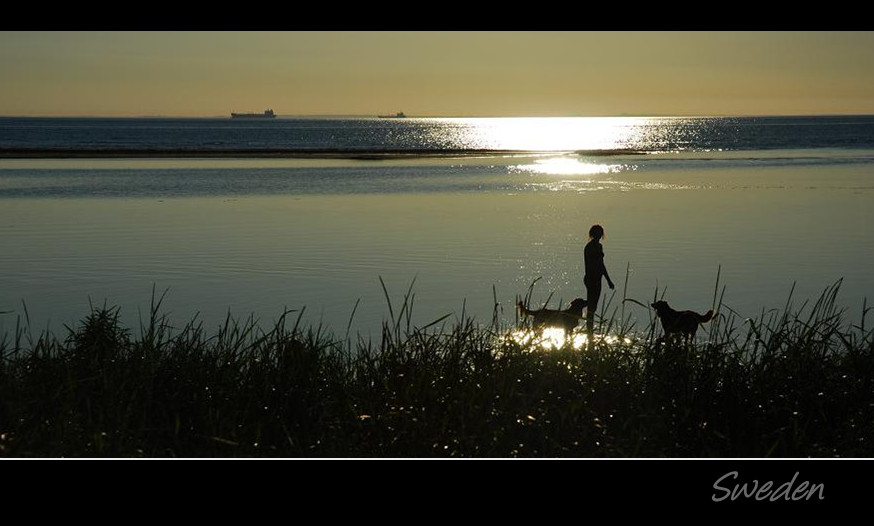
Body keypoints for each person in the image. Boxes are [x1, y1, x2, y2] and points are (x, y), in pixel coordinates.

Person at [583, 224, 614, 343]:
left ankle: (589, 332)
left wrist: (608, 280)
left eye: (600, 233)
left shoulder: (597, 246)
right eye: (597, 233)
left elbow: (601, 265)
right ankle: (589, 333)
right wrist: (604, 279)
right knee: (591, 307)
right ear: (592, 234)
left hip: (597, 279)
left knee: (593, 307)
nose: (599, 236)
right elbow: (594, 265)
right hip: (592, 279)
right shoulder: (590, 247)